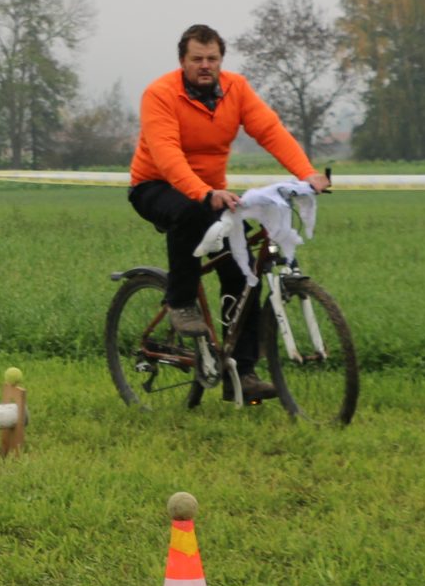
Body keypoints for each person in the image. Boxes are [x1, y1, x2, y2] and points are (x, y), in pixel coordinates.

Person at [128, 23, 330, 398]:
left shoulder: (236, 89)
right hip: (156, 186)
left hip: (211, 193)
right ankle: (180, 302)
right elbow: (167, 154)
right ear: (182, 61)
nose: (205, 65)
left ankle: (243, 373)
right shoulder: (160, 94)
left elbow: (270, 131)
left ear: (221, 59)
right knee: (189, 213)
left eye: (212, 58)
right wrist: (203, 193)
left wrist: (307, 174)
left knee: (243, 272)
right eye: (197, 59)